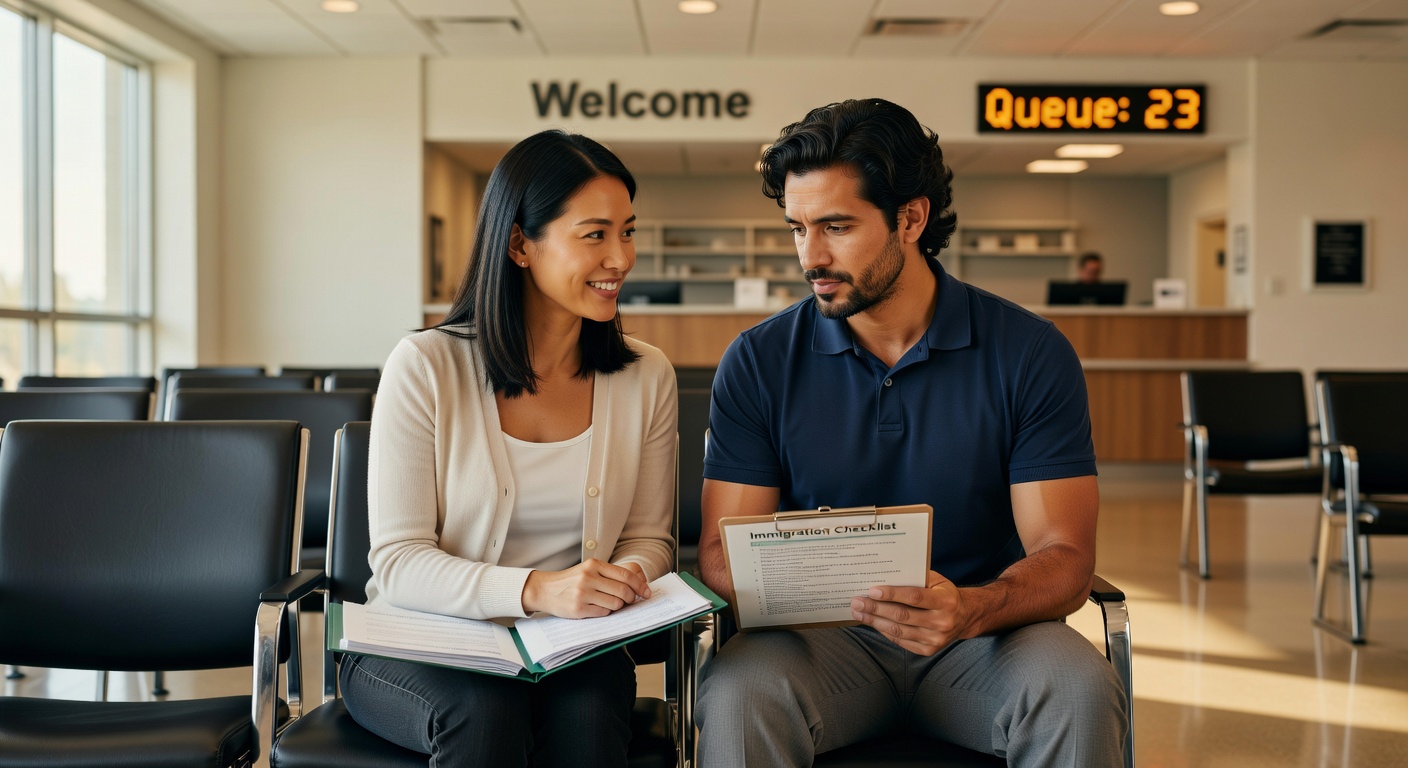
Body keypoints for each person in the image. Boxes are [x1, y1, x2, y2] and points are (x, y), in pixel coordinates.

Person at [696, 99, 1127, 766]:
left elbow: (1065, 554)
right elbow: (721, 557)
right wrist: (836, 582)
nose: (812, 256)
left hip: (986, 637)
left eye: (836, 226)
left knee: (1075, 684)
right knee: (738, 690)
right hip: (820, 643)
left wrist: (974, 608)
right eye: (797, 228)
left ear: (911, 218)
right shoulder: (758, 360)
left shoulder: (1029, 352)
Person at [342, 130, 677, 766]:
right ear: (521, 243)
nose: (621, 258)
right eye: (594, 234)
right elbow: (398, 561)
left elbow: (650, 539)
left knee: (590, 711)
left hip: (570, 645)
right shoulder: (425, 366)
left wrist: (625, 579)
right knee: (486, 713)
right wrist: (536, 591)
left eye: (628, 231)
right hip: (420, 644)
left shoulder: (645, 374)